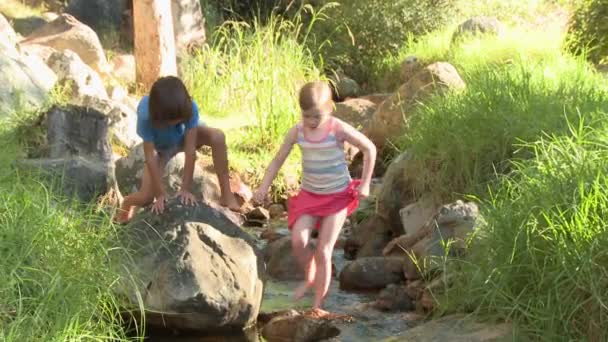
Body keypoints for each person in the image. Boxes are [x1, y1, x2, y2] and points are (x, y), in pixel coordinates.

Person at [253, 81, 376, 316]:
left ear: (330, 107)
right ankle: (310, 271)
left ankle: (317, 306)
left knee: (324, 250)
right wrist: (263, 187)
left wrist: (367, 182)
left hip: (338, 197)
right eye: (307, 116)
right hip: (310, 196)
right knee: (298, 240)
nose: (311, 121)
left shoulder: (337, 128)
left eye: (316, 116)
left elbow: (369, 148)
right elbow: (278, 160)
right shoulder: (298, 131)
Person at [115, 76, 240, 223]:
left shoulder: (188, 107)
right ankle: (127, 202)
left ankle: (226, 195)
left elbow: (190, 150)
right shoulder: (145, 114)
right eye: (172, 122)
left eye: (180, 120)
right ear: (159, 116)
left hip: (185, 139)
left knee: (218, 136)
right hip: (162, 150)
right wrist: (160, 194)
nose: (177, 123)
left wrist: (185, 189)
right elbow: (150, 156)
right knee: (146, 198)